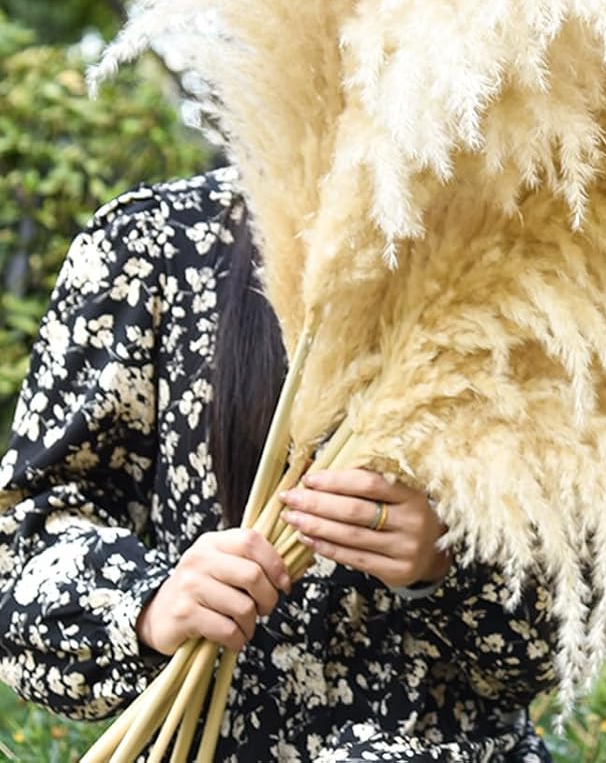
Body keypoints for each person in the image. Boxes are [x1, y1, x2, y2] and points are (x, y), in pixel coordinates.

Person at [0, 166, 562, 761]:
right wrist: (146, 605)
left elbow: (572, 629)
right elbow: (23, 541)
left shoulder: (530, 259)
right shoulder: (158, 239)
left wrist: (449, 561)